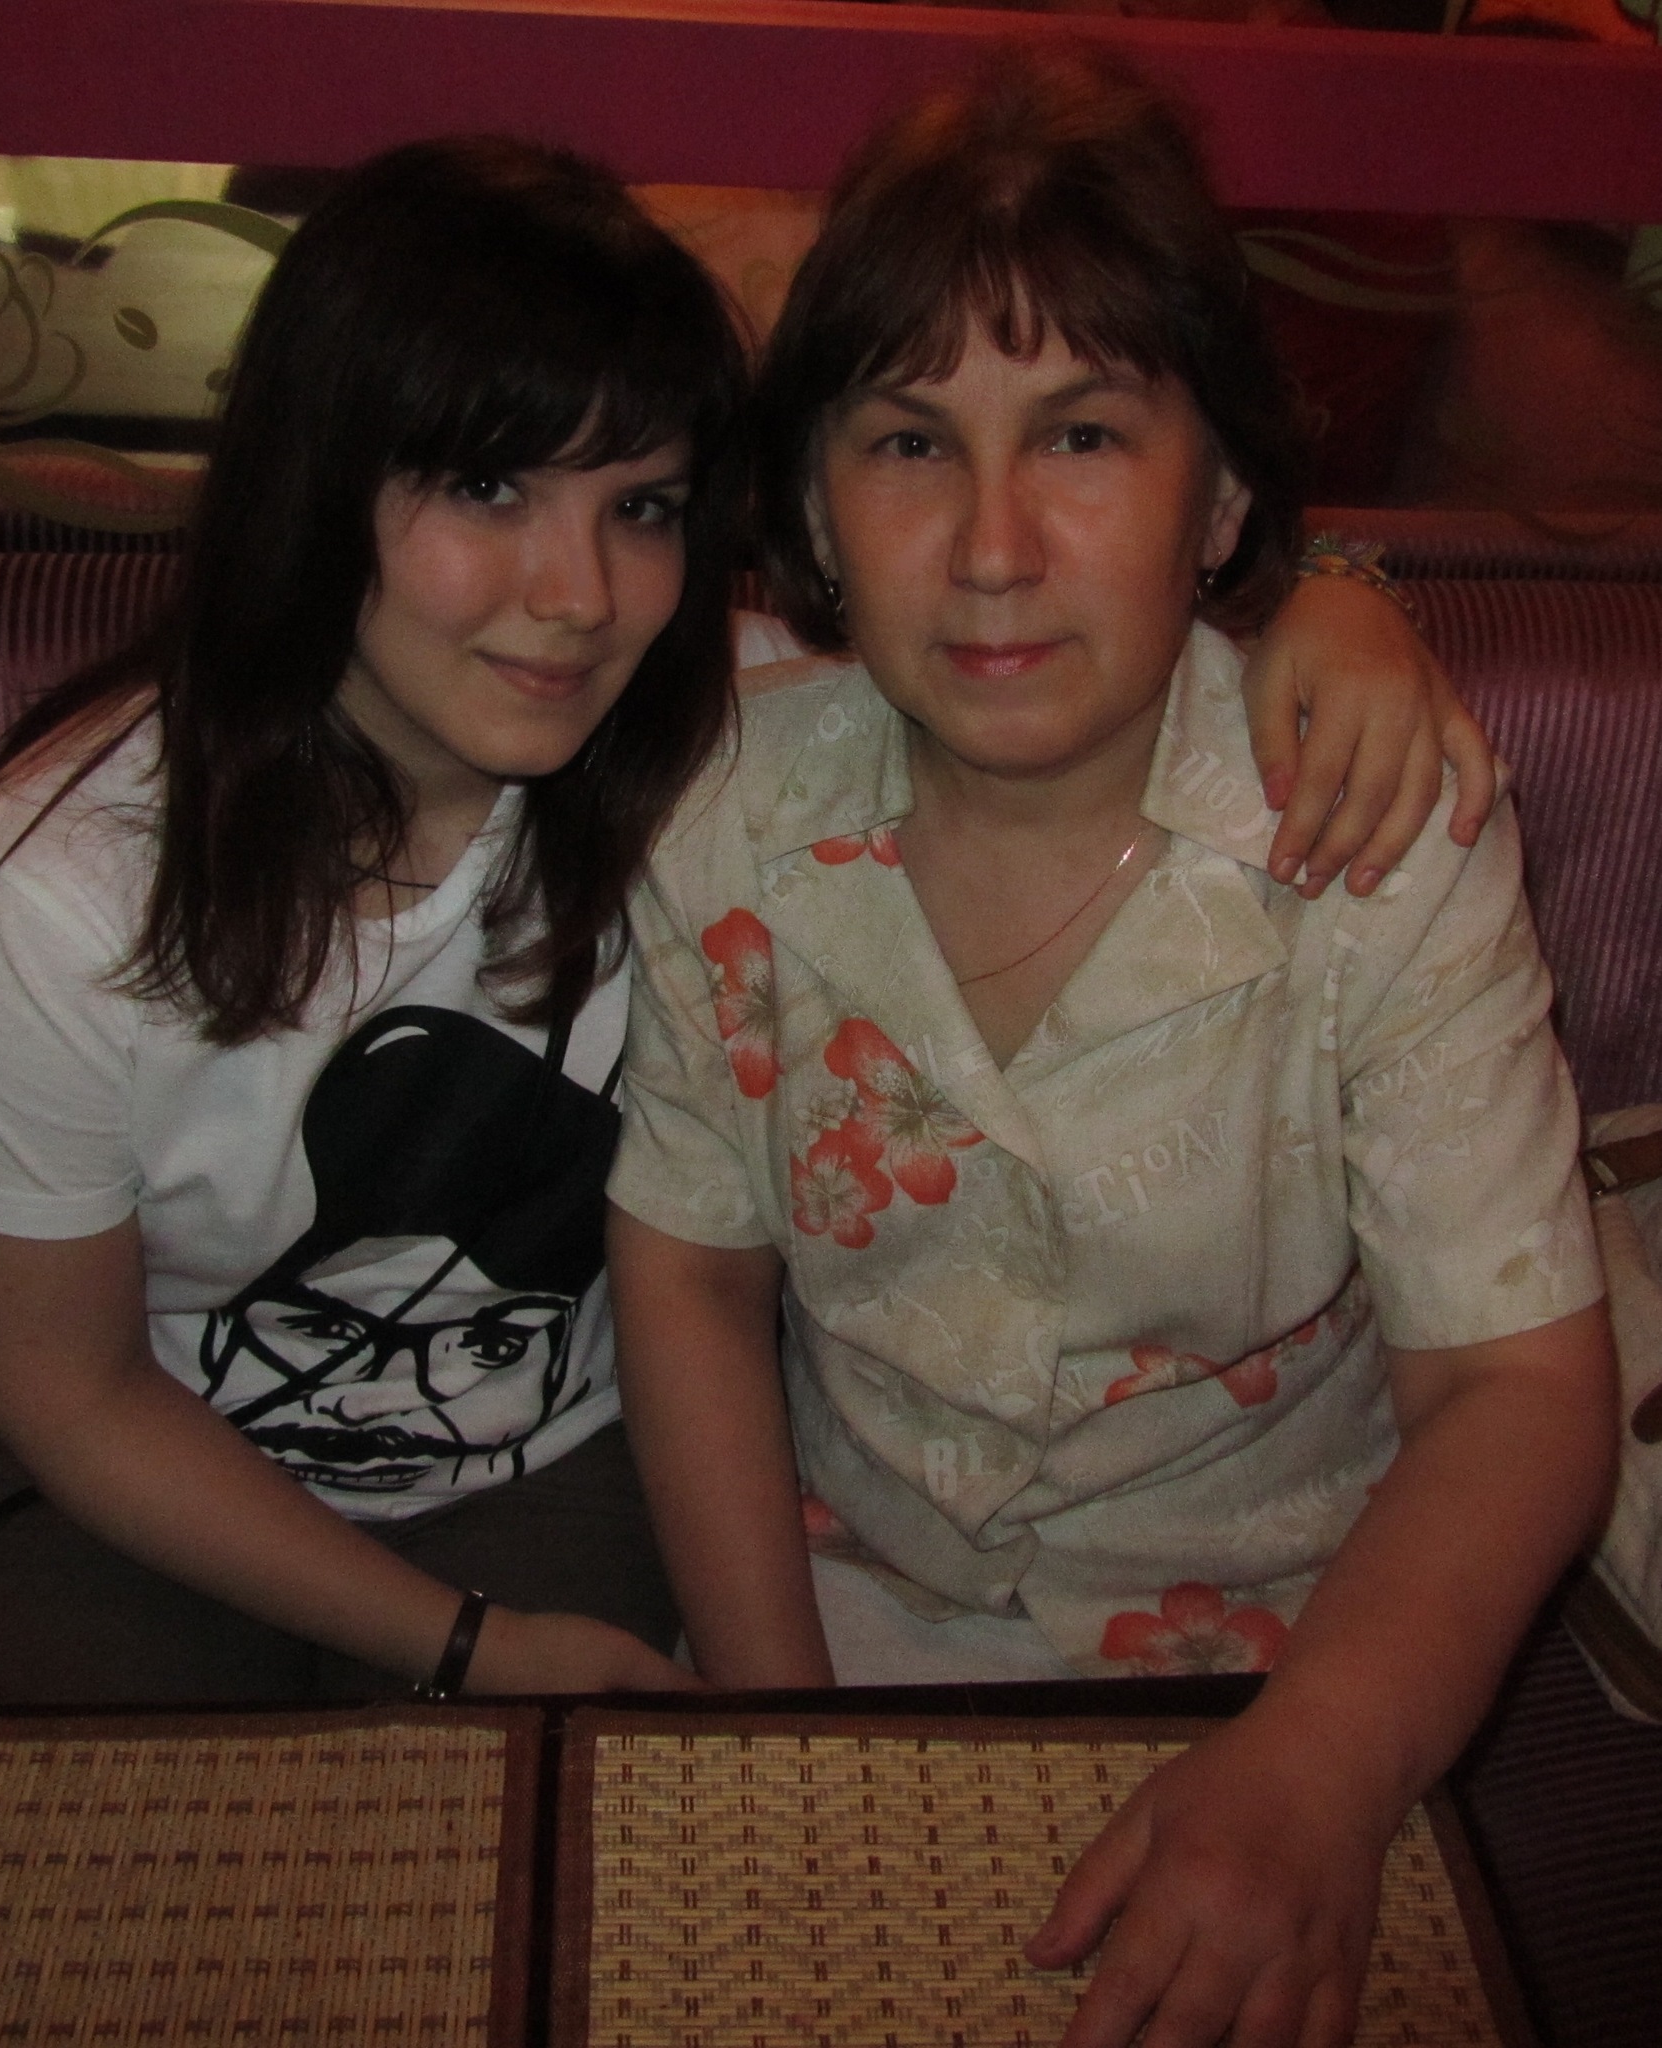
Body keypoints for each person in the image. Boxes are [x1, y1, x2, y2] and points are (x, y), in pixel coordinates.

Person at [0, 131, 1487, 1711]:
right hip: (143, 1480)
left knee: (559, 1869)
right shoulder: (56, 902)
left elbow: (1031, 634)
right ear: (317, 476)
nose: (579, 596)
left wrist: (1341, 592)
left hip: (553, 1463)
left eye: (643, 506)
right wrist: (465, 1643)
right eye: (488, 485)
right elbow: (66, 1389)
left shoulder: (711, 750)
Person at [606, 52, 1616, 2048]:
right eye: (910, 444)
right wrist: (778, 1735)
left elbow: (1512, 1386)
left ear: (1217, 494)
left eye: (1080, 434)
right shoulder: (723, 807)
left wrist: (1315, 1773)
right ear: (812, 506)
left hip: (1302, 1661)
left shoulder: (1375, 835)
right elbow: (691, 1276)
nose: (991, 546)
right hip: (836, 1595)